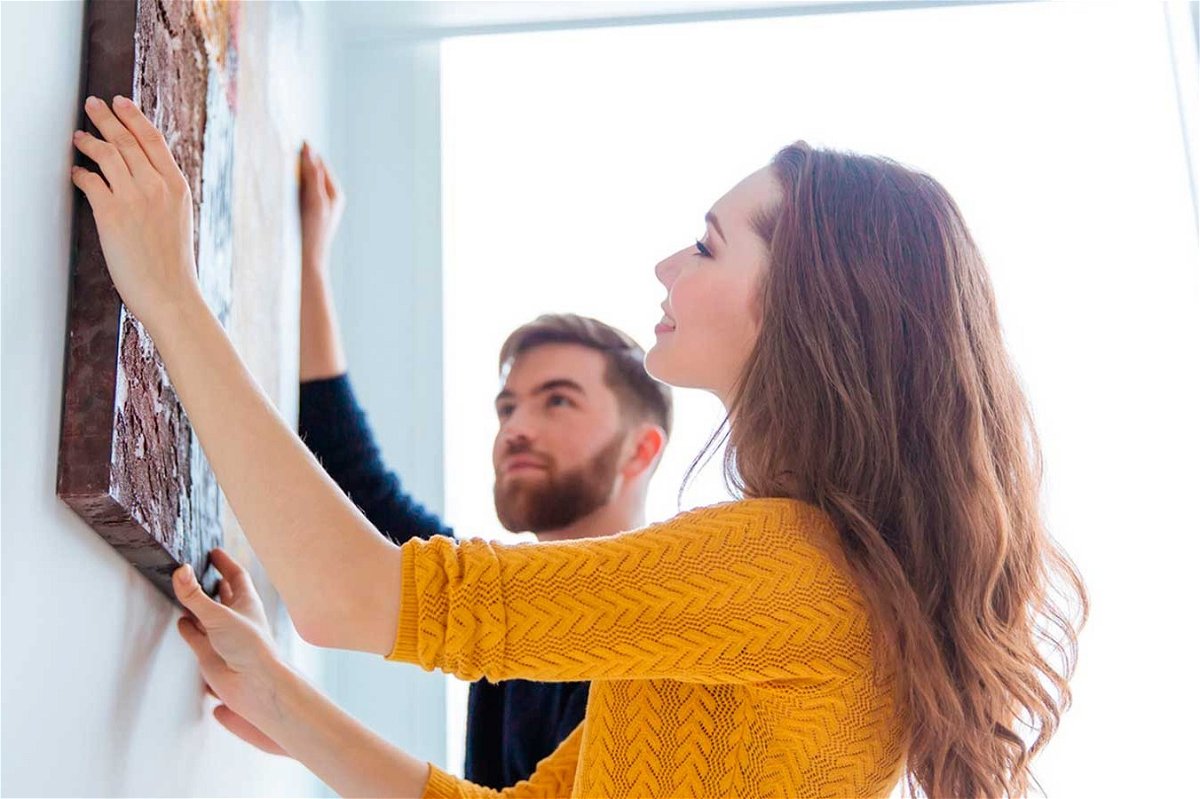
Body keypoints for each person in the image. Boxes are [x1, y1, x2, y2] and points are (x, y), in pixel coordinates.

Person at [70, 95, 1088, 798]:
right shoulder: (794, 583)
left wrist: (164, 287)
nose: (665, 265)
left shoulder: (785, 568)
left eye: (706, 244)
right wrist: (281, 702)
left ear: (807, 305)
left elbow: (346, 598)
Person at [286, 143, 673, 788]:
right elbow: (355, 484)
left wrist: (288, 712)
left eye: (557, 401)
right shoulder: (502, 604)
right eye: (506, 406)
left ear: (642, 449)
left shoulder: (658, 645)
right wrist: (311, 266)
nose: (515, 428)